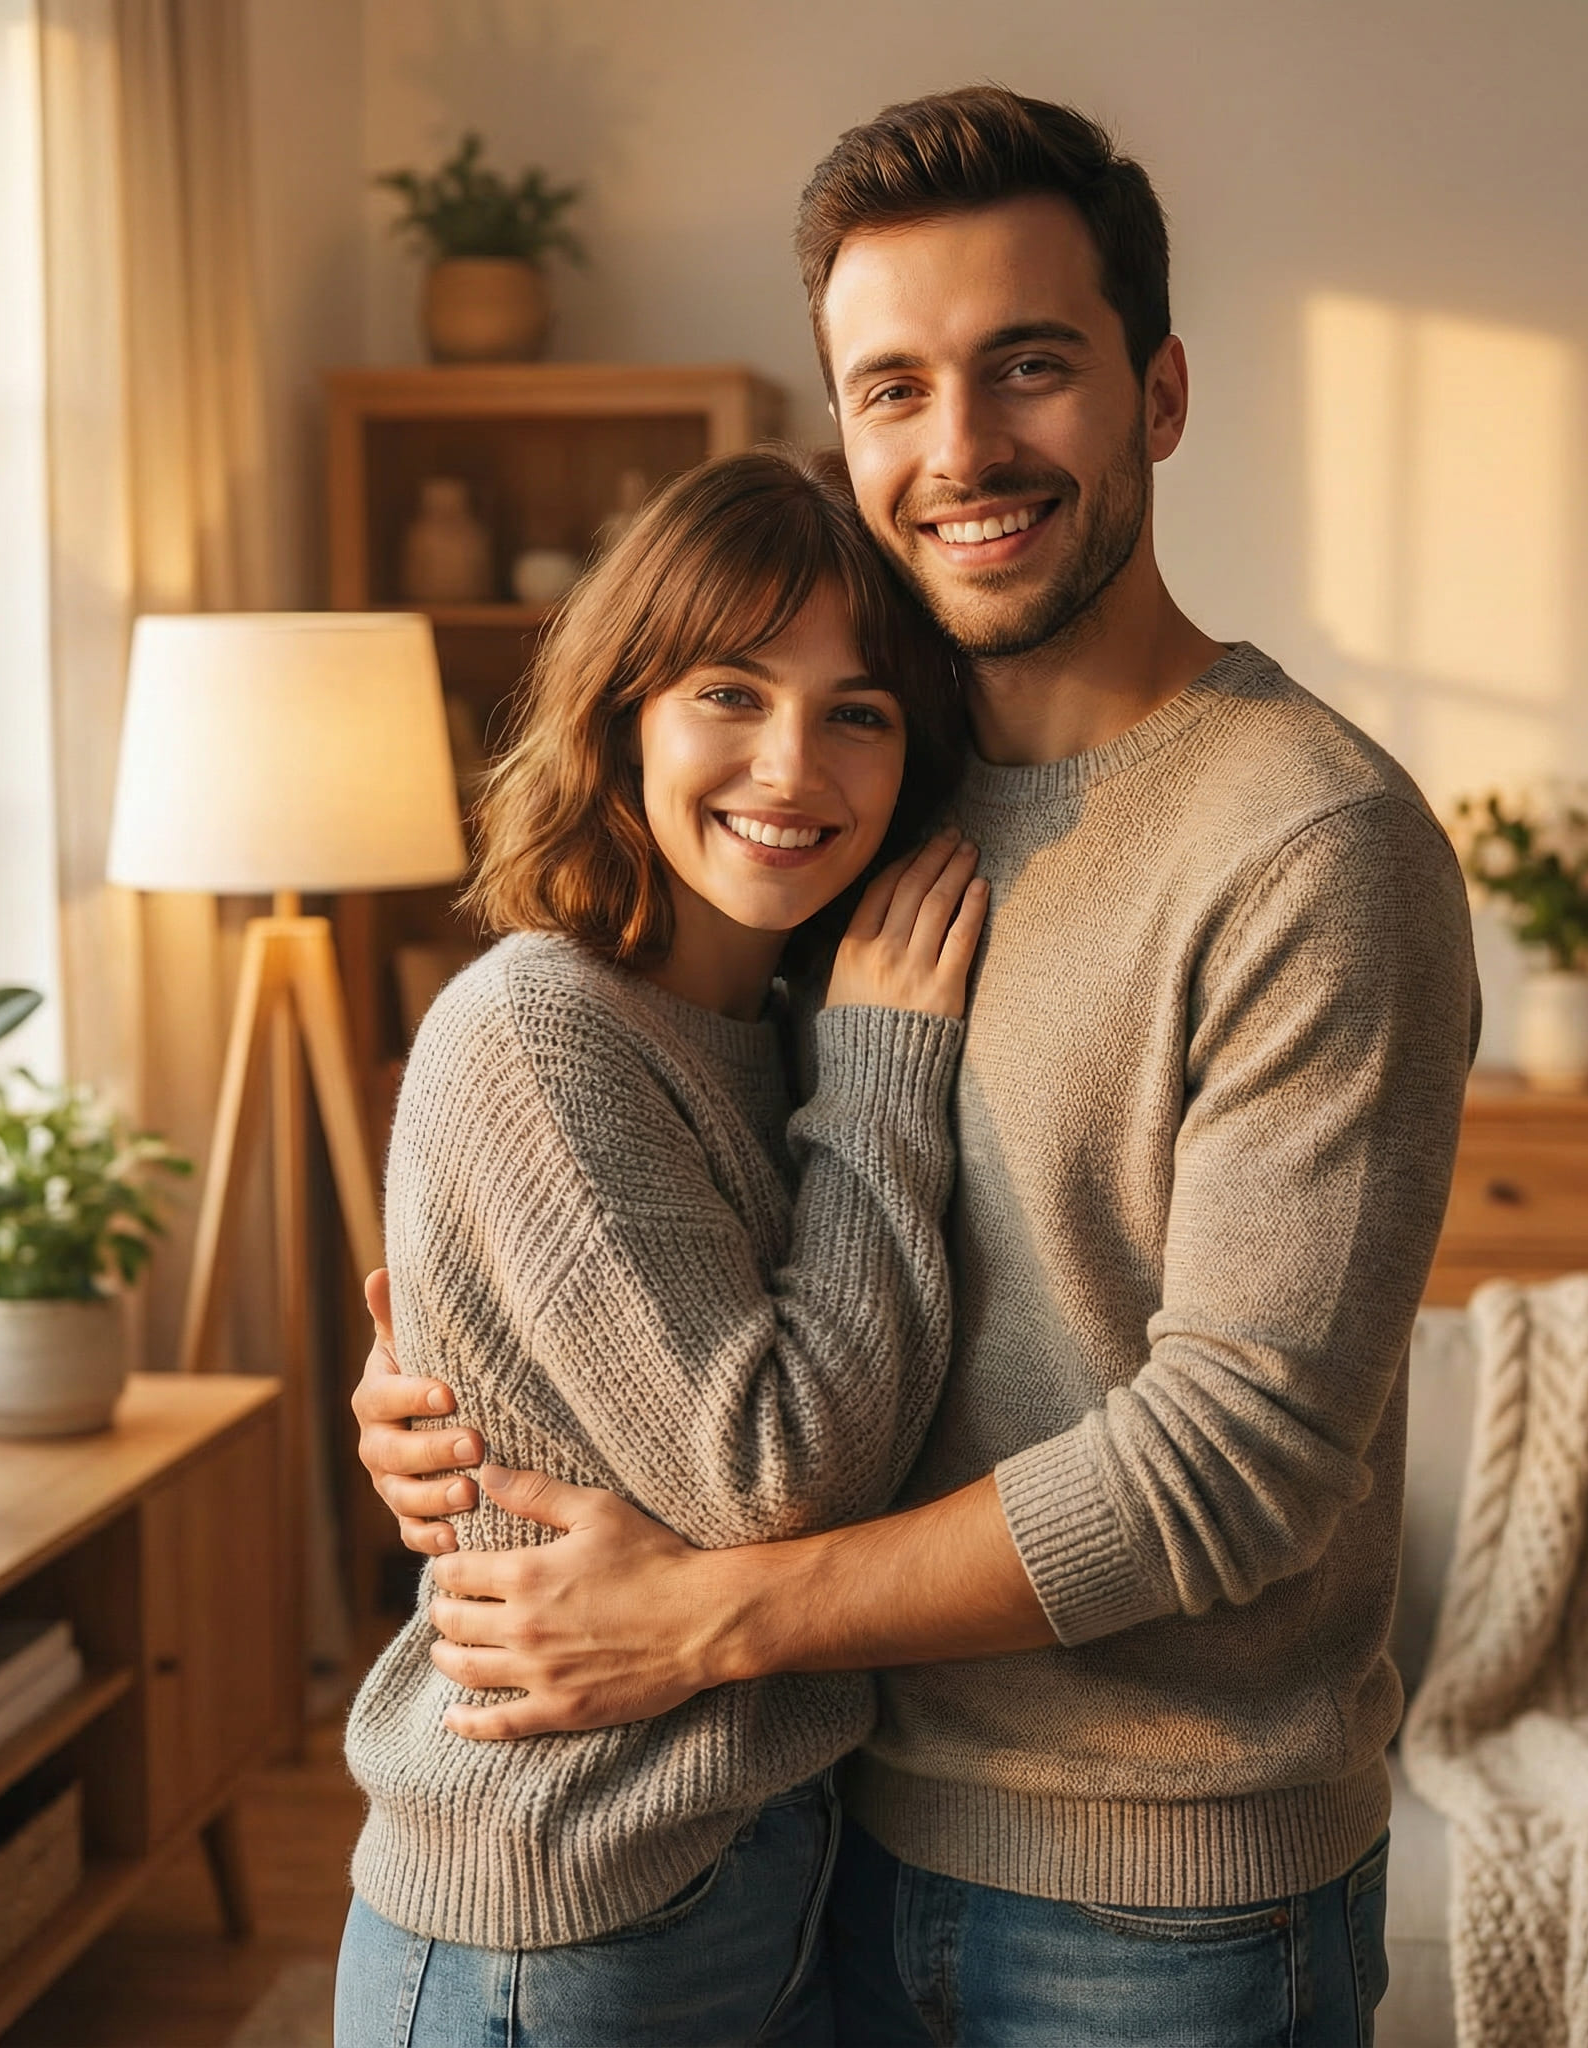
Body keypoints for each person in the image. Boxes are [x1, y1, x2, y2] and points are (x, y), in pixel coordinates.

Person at [353, 88, 1480, 2046]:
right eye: (892, 387)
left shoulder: (1311, 842)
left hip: (1162, 1904)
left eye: (1028, 367)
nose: (958, 449)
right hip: (818, 1843)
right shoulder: (867, 791)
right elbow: (710, 1208)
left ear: (1159, 392)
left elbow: (1235, 1463)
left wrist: (720, 1608)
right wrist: (462, 1396)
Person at [333, 445, 986, 2048]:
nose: (791, 767)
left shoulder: (757, 1023)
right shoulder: (542, 1027)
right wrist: (892, 1072)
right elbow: (780, 1472)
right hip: (566, 1909)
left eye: (859, 713)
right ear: (626, 708)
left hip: (752, 1861)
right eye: (730, 692)